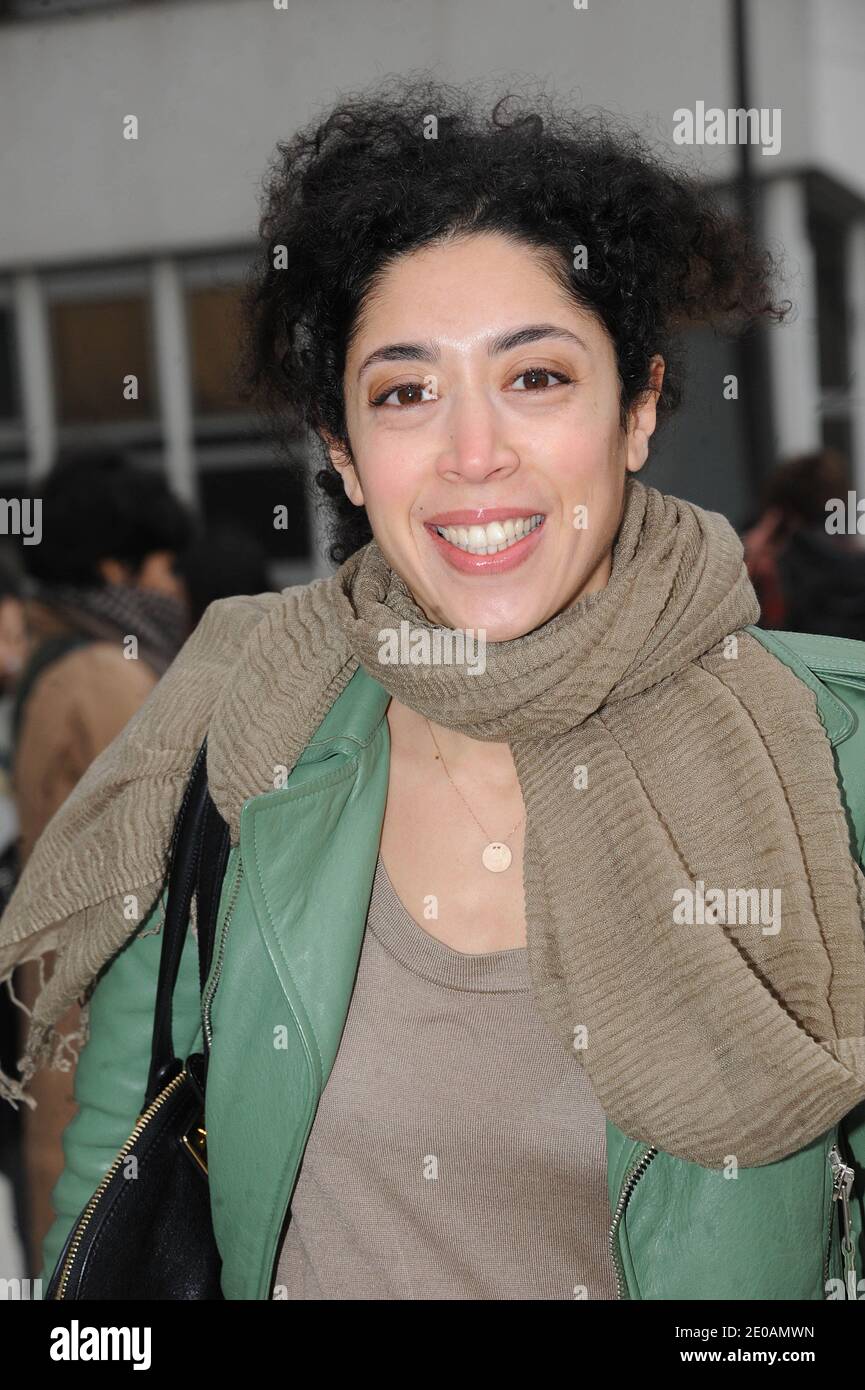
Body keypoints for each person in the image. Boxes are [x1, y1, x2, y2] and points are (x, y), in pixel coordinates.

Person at [1, 76, 864, 1301]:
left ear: (638, 407)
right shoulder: (242, 720)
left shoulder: (834, 754)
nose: (473, 456)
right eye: (406, 392)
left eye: (536, 378)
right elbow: (115, 1161)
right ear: (346, 452)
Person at [10, 450, 193, 1271]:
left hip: (73, 1010)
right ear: (115, 565)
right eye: (160, 564)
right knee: (100, 1240)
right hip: (103, 1018)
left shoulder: (71, 655)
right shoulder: (103, 674)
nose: (176, 586)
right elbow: (161, 843)